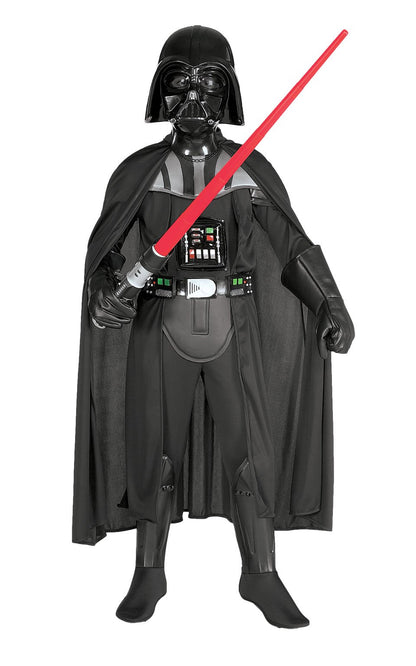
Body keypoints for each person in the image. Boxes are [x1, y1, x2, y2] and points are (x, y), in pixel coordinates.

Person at [73, 25, 354, 628]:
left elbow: (290, 243)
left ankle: (261, 573)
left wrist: (329, 303)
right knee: (155, 448)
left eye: (209, 84)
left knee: (251, 451)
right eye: (181, 83)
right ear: (161, 93)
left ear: (228, 94)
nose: (195, 98)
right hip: (161, 324)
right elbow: (107, 251)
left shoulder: (247, 170)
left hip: (234, 327)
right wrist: (104, 290)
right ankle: (149, 571)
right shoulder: (140, 172)